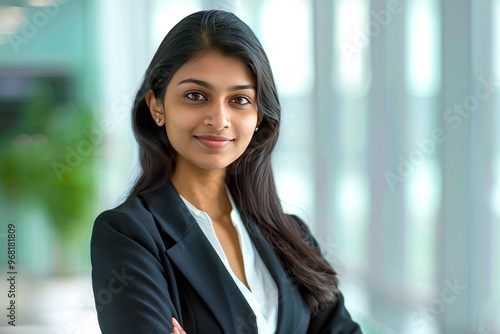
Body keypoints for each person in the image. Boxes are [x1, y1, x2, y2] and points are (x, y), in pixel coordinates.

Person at [90, 9, 362, 334]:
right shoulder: (128, 235)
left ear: (259, 115)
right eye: (195, 96)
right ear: (157, 106)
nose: (219, 120)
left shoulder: (292, 236)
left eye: (239, 100)